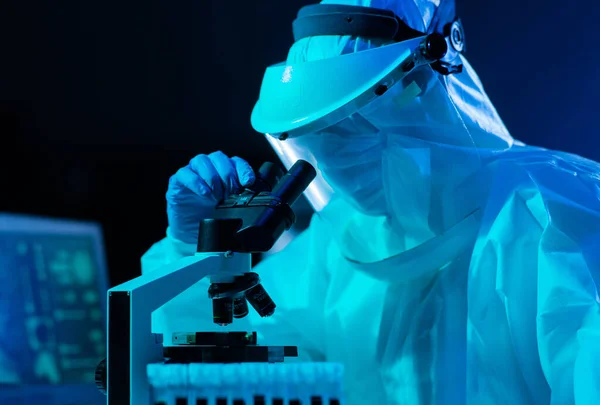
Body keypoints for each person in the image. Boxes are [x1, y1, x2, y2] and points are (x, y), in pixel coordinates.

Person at [142, 0, 600, 404]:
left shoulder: (558, 219)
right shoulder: (345, 244)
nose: (336, 163)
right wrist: (194, 251)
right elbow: (217, 355)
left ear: (422, 89)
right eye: (319, 140)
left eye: (352, 128)